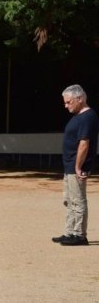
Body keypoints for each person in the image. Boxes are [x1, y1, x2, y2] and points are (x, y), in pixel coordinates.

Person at [52, 84, 99, 246]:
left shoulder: (88, 117)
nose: (66, 106)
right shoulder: (79, 116)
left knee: (78, 201)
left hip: (76, 167)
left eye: (68, 102)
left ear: (80, 99)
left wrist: (78, 166)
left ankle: (79, 234)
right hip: (69, 166)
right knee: (69, 201)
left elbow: (84, 143)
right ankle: (70, 232)